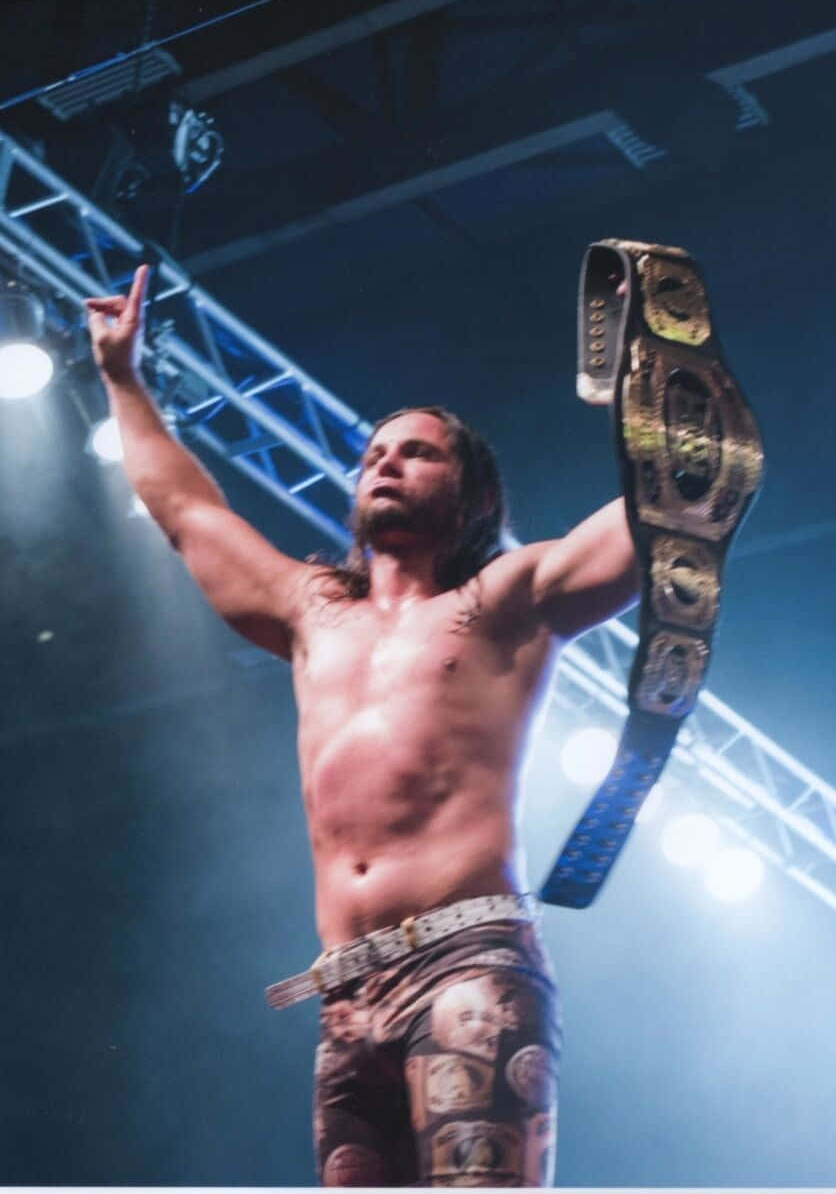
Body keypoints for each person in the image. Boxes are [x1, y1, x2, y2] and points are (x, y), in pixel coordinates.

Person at [86, 265, 639, 1187]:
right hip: (344, 993)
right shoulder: (310, 609)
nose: (386, 463)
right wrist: (121, 375)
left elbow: (669, 515)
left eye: (417, 453)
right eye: (376, 453)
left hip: (468, 960)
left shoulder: (507, 595)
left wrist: (641, 383)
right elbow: (185, 512)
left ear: (474, 498)